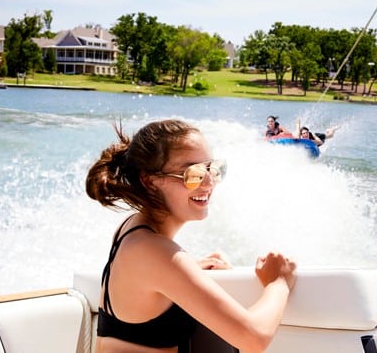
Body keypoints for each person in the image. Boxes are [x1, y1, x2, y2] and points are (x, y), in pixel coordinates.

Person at [86, 119, 297, 353]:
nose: (209, 182)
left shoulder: (131, 229)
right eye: (193, 173)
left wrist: (191, 269)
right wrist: (279, 282)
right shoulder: (154, 251)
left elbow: (145, 283)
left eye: (212, 169)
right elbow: (254, 339)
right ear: (150, 181)